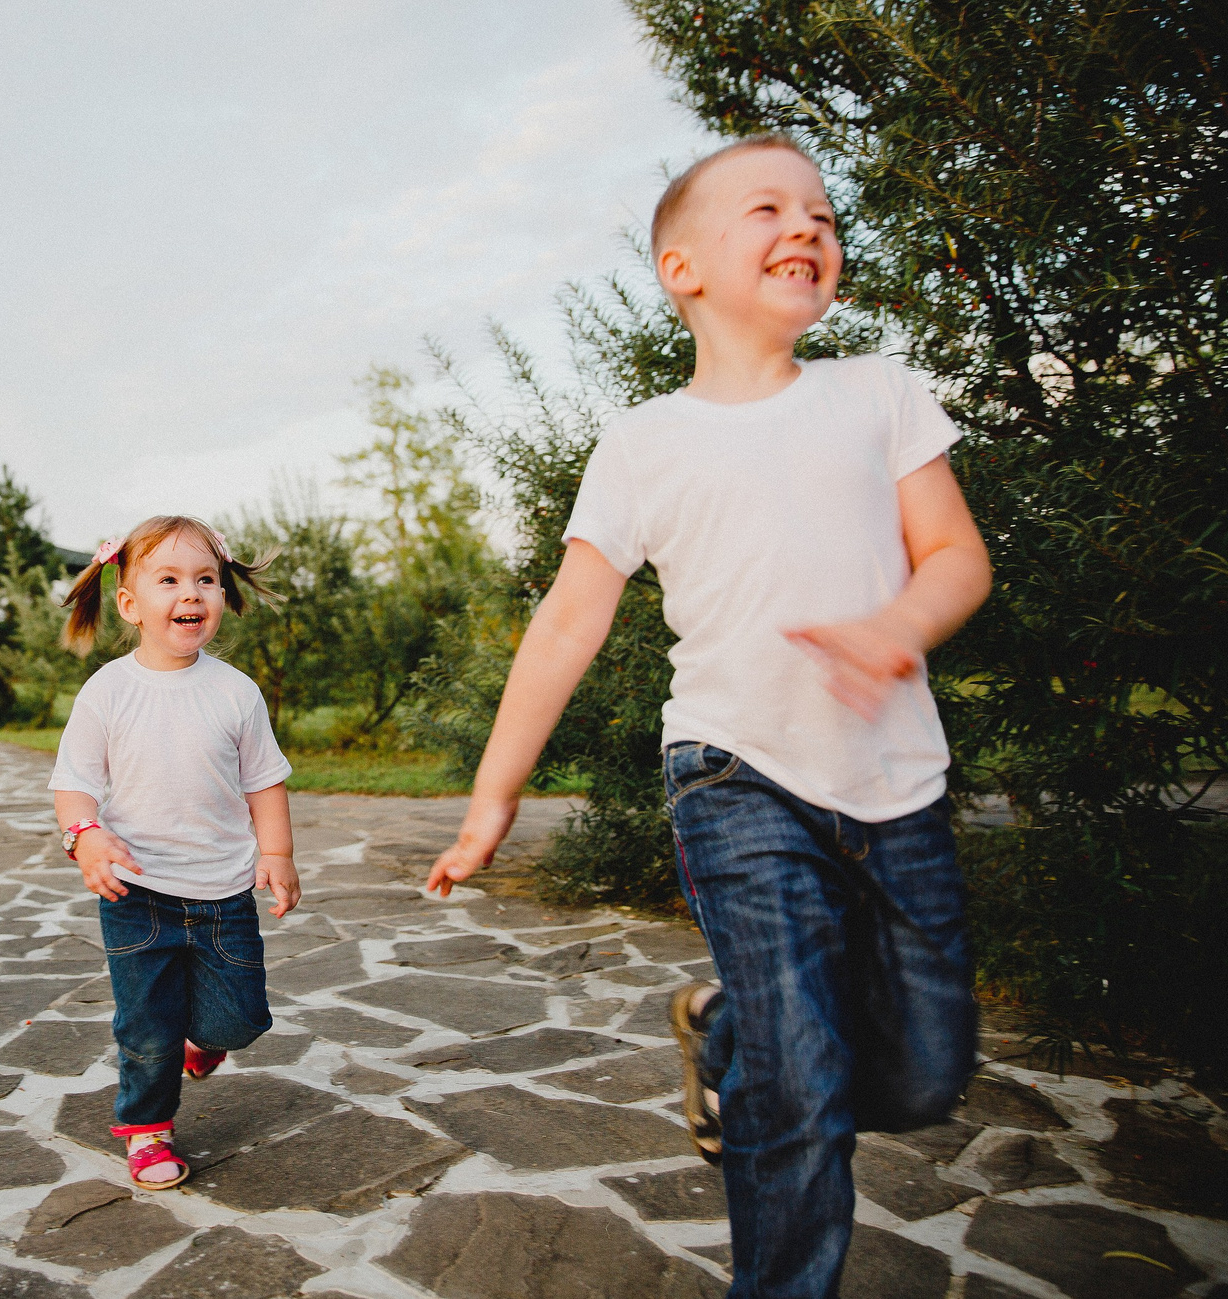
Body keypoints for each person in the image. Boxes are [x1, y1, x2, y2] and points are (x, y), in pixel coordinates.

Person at [424, 134, 992, 1298]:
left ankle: (726, 1032)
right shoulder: (642, 444)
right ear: (682, 268)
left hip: (898, 788)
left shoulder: (877, 393)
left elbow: (954, 554)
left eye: (824, 215)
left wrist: (898, 626)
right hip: (734, 777)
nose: (809, 227)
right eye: (770, 208)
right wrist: (493, 794)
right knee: (800, 1084)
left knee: (924, 1078)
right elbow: (567, 623)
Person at [47, 515, 302, 1191]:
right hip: (138, 895)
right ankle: (148, 1130)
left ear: (221, 595)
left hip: (223, 893)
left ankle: (204, 1043)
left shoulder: (235, 692)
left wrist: (276, 851)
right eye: (169, 579)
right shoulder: (107, 691)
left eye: (206, 579)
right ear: (129, 603)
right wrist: (85, 837)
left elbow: (263, 780)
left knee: (240, 1018)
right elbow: (72, 785)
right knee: (146, 1027)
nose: (191, 593)